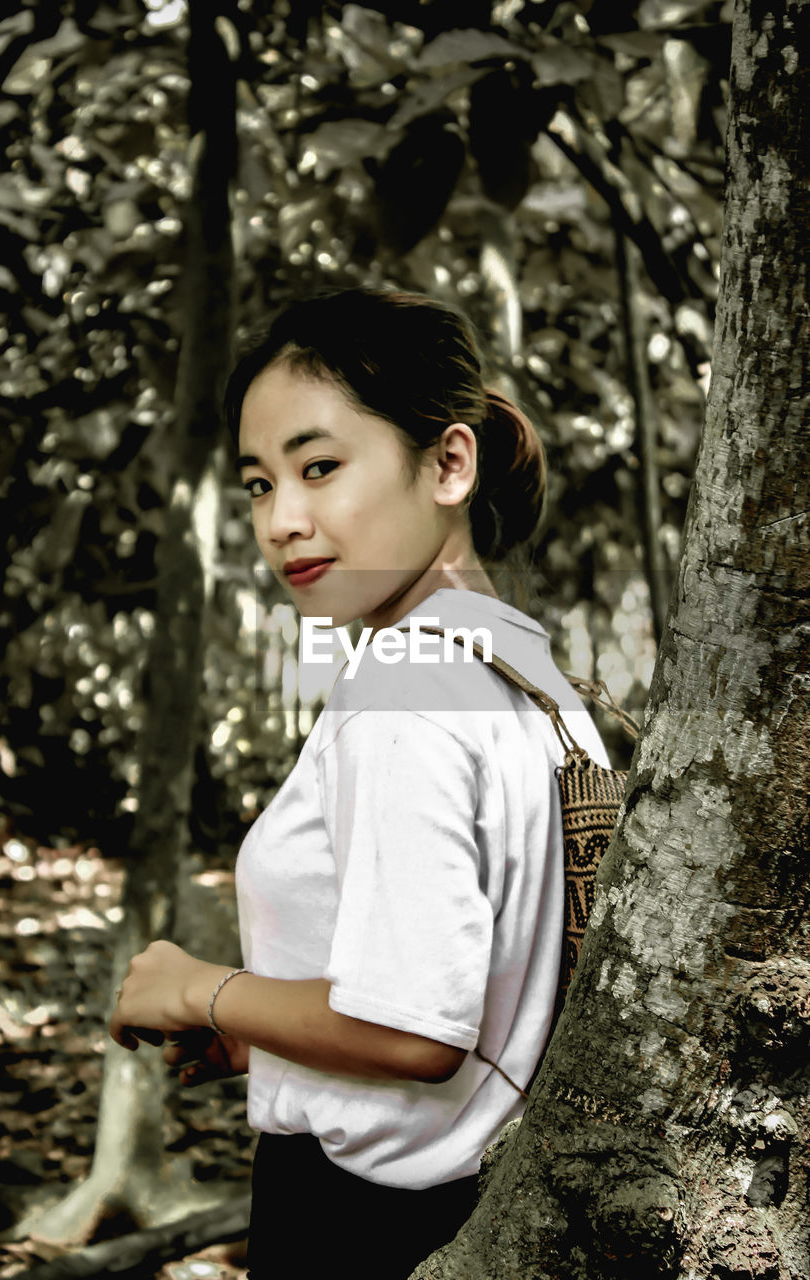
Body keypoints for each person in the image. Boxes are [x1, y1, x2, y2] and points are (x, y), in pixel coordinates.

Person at [109, 287, 611, 1279]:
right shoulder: (531, 673)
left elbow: (414, 1030)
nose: (282, 520)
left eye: (321, 466)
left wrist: (194, 984)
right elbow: (495, 981)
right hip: (496, 1205)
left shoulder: (400, 689)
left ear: (449, 463)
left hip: (363, 1225)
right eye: (259, 483)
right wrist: (257, 1028)